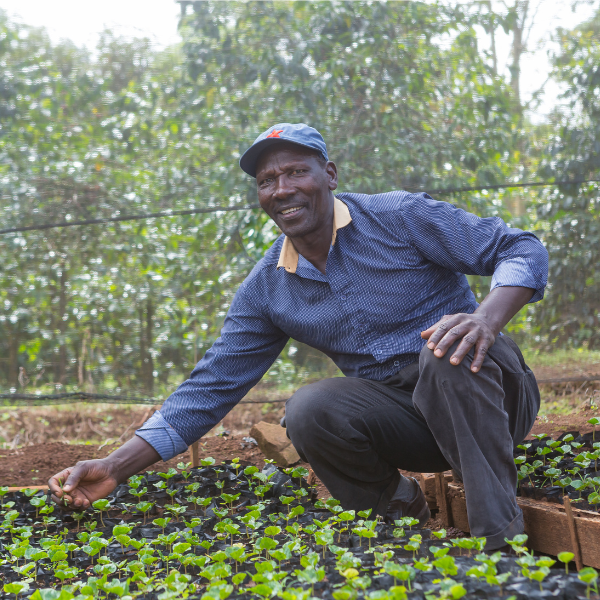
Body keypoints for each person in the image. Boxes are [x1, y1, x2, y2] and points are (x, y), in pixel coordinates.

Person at [49, 123, 547, 549]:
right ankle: (398, 523)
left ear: (329, 175)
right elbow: (209, 388)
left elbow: (521, 248)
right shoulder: (269, 287)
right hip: (411, 424)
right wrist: (115, 466)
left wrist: (484, 318)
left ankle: (500, 547)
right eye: (268, 180)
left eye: (296, 172)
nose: (282, 188)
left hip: (491, 401)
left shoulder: (400, 217)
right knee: (309, 409)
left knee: (445, 350)